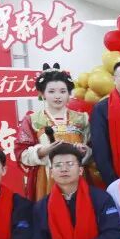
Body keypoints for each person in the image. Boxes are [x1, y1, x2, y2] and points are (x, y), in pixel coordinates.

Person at [15, 64, 98, 201]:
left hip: (77, 173)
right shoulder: (33, 120)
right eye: (52, 91)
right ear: (42, 94)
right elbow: (21, 153)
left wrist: (85, 151)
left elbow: (94, 148)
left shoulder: (82, 119)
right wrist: (42, 151)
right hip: (46, 177)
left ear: (69, 93)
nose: (57, 96)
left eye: (62, 91)